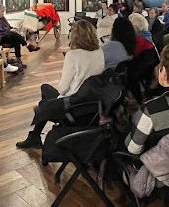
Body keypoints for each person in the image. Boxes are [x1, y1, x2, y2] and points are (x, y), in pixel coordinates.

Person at [16, 20, 105, 148]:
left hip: (73, 106)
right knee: (45, 92)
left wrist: (63, 77)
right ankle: (35, 132)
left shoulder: (73, 55)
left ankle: (35, 135)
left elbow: (63, 89)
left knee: (44, 98)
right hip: (92, 105)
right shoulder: (100, 52)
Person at [0, 4, 40, 68]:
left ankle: (19, 61)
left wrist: (12, 28)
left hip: (7, 35)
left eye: (3, 11)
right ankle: (27, 46)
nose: (3, 13)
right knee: (14, 35)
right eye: (2, 11)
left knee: (16, 40)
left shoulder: (2, 18)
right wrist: (9, 30)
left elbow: (7, 26)